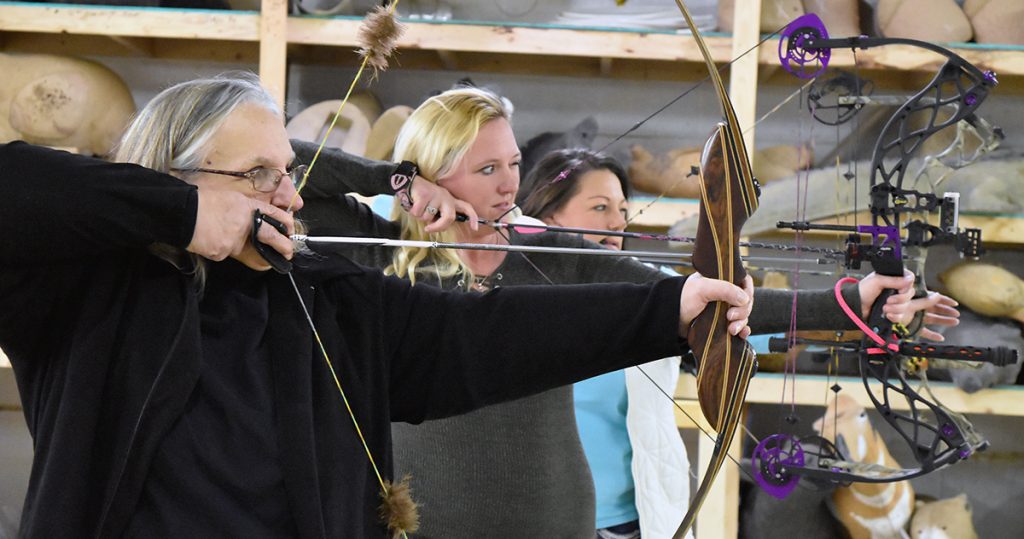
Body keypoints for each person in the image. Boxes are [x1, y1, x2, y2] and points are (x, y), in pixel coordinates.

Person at [0, 73, 757, 538]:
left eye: (287, 172)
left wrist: (672, 307)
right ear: (180, 175)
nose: (290, 197)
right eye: (260, 175)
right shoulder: (86, 291)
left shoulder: (325, 297)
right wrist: (178, 215)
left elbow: (480, 335)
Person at [293, 85, 956, 538]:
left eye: (513, 164)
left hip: (554, 520)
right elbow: (288, 164)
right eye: (484, 166)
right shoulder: (376, 252)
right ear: (435, 168)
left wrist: (854, 301)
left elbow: (699, 298)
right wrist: (394, 181)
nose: (506, 184)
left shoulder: (557, 257)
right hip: (415, 522)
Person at [519, 147, 961, 538]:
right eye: (600, 207)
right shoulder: (500, 298)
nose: (618, 222)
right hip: (531, 518)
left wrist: (867, 309)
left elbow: (743, 311)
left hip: (627, 523)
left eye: (622, 208)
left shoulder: (648, 293)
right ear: (547, 216)